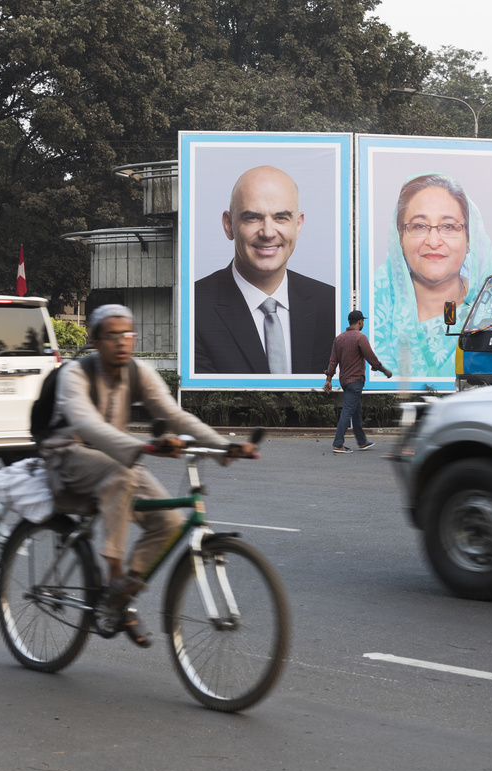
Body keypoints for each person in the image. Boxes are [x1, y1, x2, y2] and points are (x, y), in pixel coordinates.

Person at [41, 304, 256, 644]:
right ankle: (114, 578)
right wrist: (144, 445)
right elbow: (87, 425)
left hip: (119, 457)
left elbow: (173, 415)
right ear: (95, 341)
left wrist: (221, 447)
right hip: (67, 455)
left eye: (128, 334)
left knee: (170, 523)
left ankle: (121, 599)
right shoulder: (75, 374)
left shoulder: (138, 372)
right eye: (112, 336)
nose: (122, 342)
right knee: (121, 475)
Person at [194, 165, 336, 375]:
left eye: (281, 217)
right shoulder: (193, 309)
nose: (268, 232)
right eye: (252, 217)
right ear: (228, 225)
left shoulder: (332, 306)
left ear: (298, 226)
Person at [371, 172, 492, 381]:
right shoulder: (373, 307)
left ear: (469, 239)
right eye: (419, 226)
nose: (433, 240)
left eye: (448, 226)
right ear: (400, 238)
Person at [324, 310, 392, 454]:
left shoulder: (339, 339)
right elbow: (371, 357)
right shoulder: (360, 338)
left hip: (345, 382)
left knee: (355, 410)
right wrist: (385, 371)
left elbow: (332, 361)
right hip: (355, 381)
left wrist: (328, 380)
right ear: (360, 321)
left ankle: (362, 442)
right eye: (363, 322)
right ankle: (338, 443)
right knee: (348, 411)